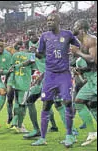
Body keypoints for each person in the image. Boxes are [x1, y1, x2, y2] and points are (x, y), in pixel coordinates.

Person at [31, 13, 80, 148]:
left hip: (64, 74)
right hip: (50, 75)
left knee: (67, 101)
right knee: (46, 105)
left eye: (52, 20)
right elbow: (40, 54)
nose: (49, 22)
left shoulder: (68, 34)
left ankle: (70, 135)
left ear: (59, 21)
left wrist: (74, 61)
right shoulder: (44, 36)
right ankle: (42, 138)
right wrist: (35, 53)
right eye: (48, 20)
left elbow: (79, 47)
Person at [71, 19, 97, 146]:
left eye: (75, 25)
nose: (73, 27)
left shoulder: (91, 40)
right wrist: (81, 69)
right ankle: (92, 133)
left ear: (81, 28)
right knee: (79, 101)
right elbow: (91, 65)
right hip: (91, 79)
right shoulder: (81, 42)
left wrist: (78, 53)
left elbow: (93, 59)